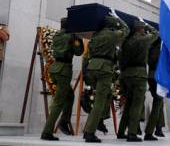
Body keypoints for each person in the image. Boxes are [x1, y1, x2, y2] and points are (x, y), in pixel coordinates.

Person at [83, 15, 129, 143]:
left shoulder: (95, 36)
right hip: (104, 69)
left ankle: (94, 124)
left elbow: (90, 51)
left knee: (103, 98)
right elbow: (126, 30)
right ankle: (89, 132)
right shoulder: (113, 35)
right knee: (99, 102)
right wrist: (118, 19)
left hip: (92, 68)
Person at [41, 18, 84, 141]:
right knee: (59, 102)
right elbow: (78, 52)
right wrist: (78, 39)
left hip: (54, 69)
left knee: (69, 95)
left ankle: (64, 121)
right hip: (63, 70)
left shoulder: (56, 36)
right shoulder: (70, 37)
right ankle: (47, 132)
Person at [116, 20, 158, 142]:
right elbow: (155, 33)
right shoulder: (144, 40)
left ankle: (121, 131)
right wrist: (148, 24)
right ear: (141, 29)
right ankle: (132, 133)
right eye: (143, 28)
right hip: (139, 75)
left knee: (128, 103)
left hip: (127, 75)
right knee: (137, 104)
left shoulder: (127, 42)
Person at [144, 37, 166, 140]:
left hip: (151, 76)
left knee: (159, 102)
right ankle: (150, 131)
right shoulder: (158, 50)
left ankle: (159, 128)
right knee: (158, 102)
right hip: (157, 77)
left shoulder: (150, 48)